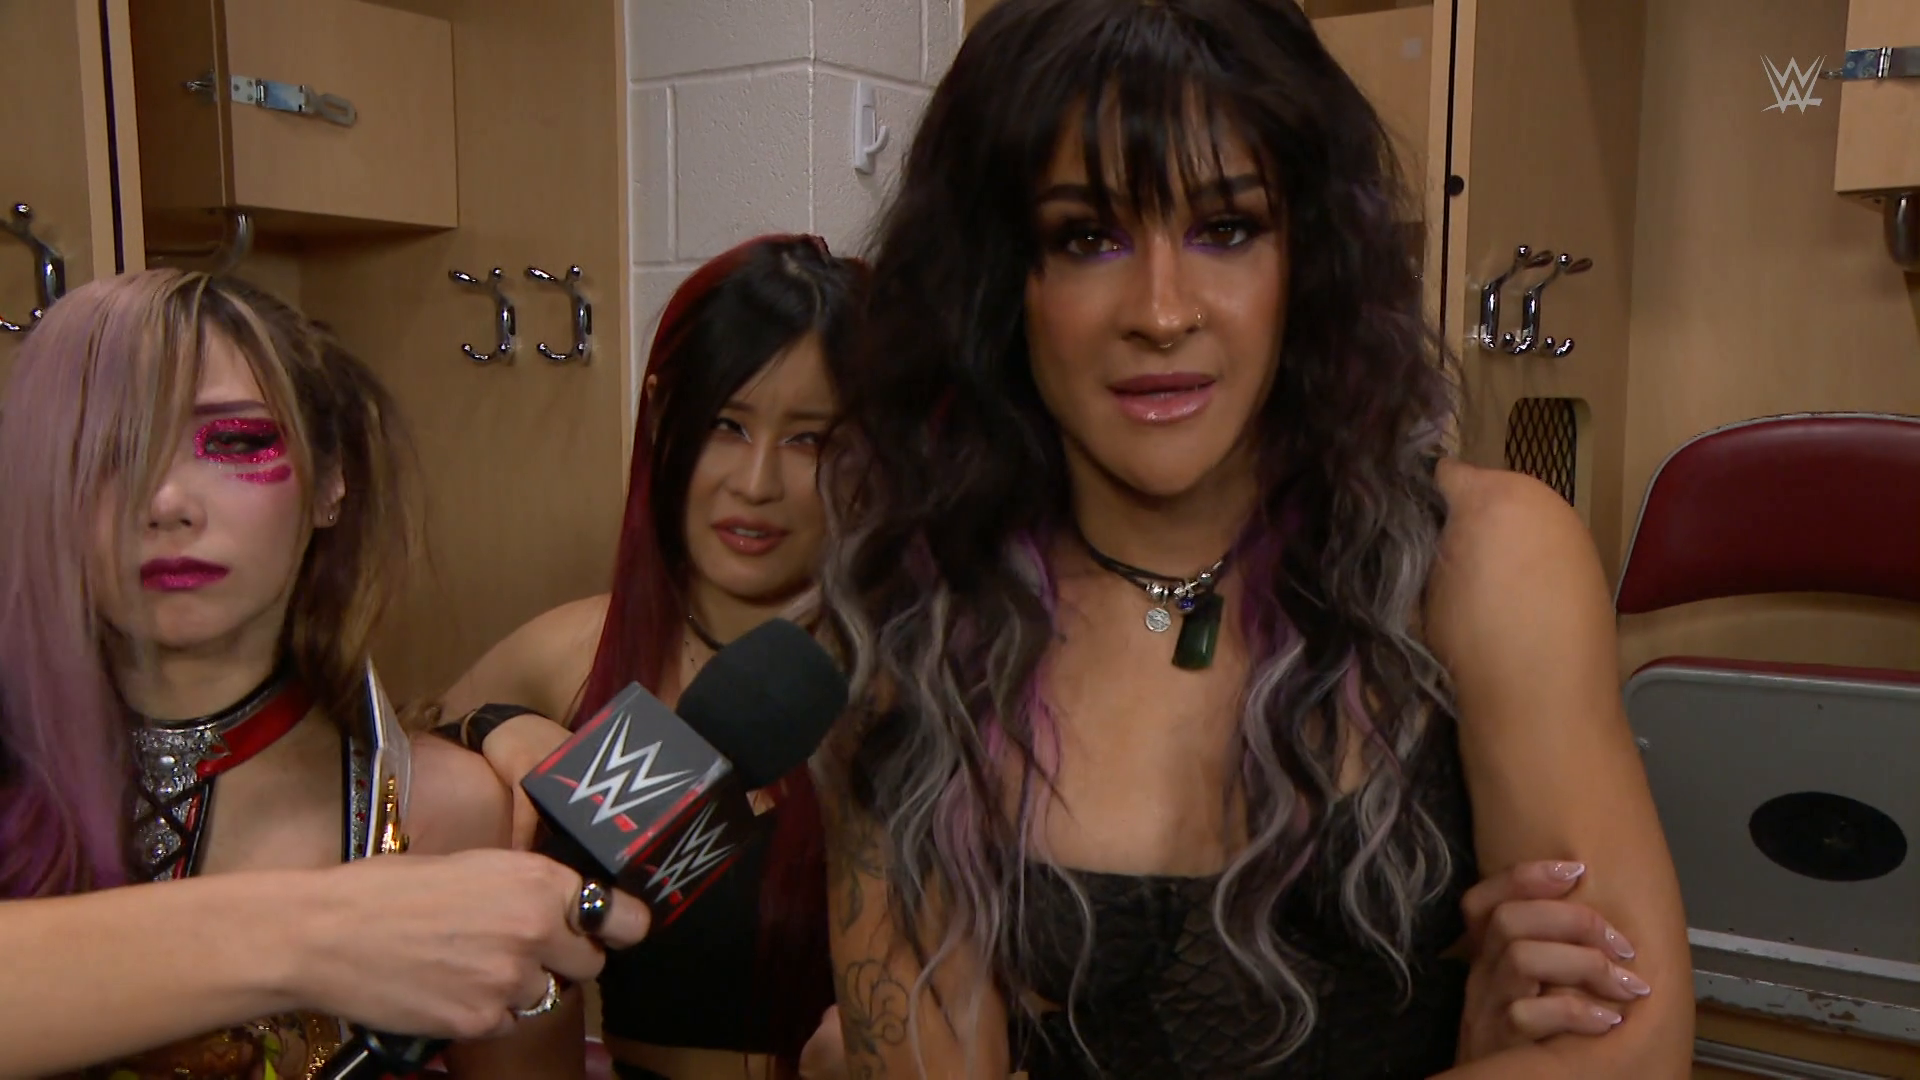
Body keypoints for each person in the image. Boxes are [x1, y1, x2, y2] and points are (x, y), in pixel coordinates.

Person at [815, 1, 1694, 1078]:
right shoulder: (909, 630)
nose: (1162, 311)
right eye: (1087, 238)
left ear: (1309, 258)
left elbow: (1634, 1051)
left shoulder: (1484, 559)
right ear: (1000, 283)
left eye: (1226, 228)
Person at [0, 269, 647, 1079]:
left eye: (234, 443)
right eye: (107, 453)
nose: (164, 502)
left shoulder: (437, 810)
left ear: (330, 481)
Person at [435, 234, 863, 1080]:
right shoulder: (575, 653)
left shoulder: (922, 683)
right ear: (664, 418)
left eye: (809, 441)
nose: (756, 483)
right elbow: (386, 771)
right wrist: (493, 730)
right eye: (726, 426)